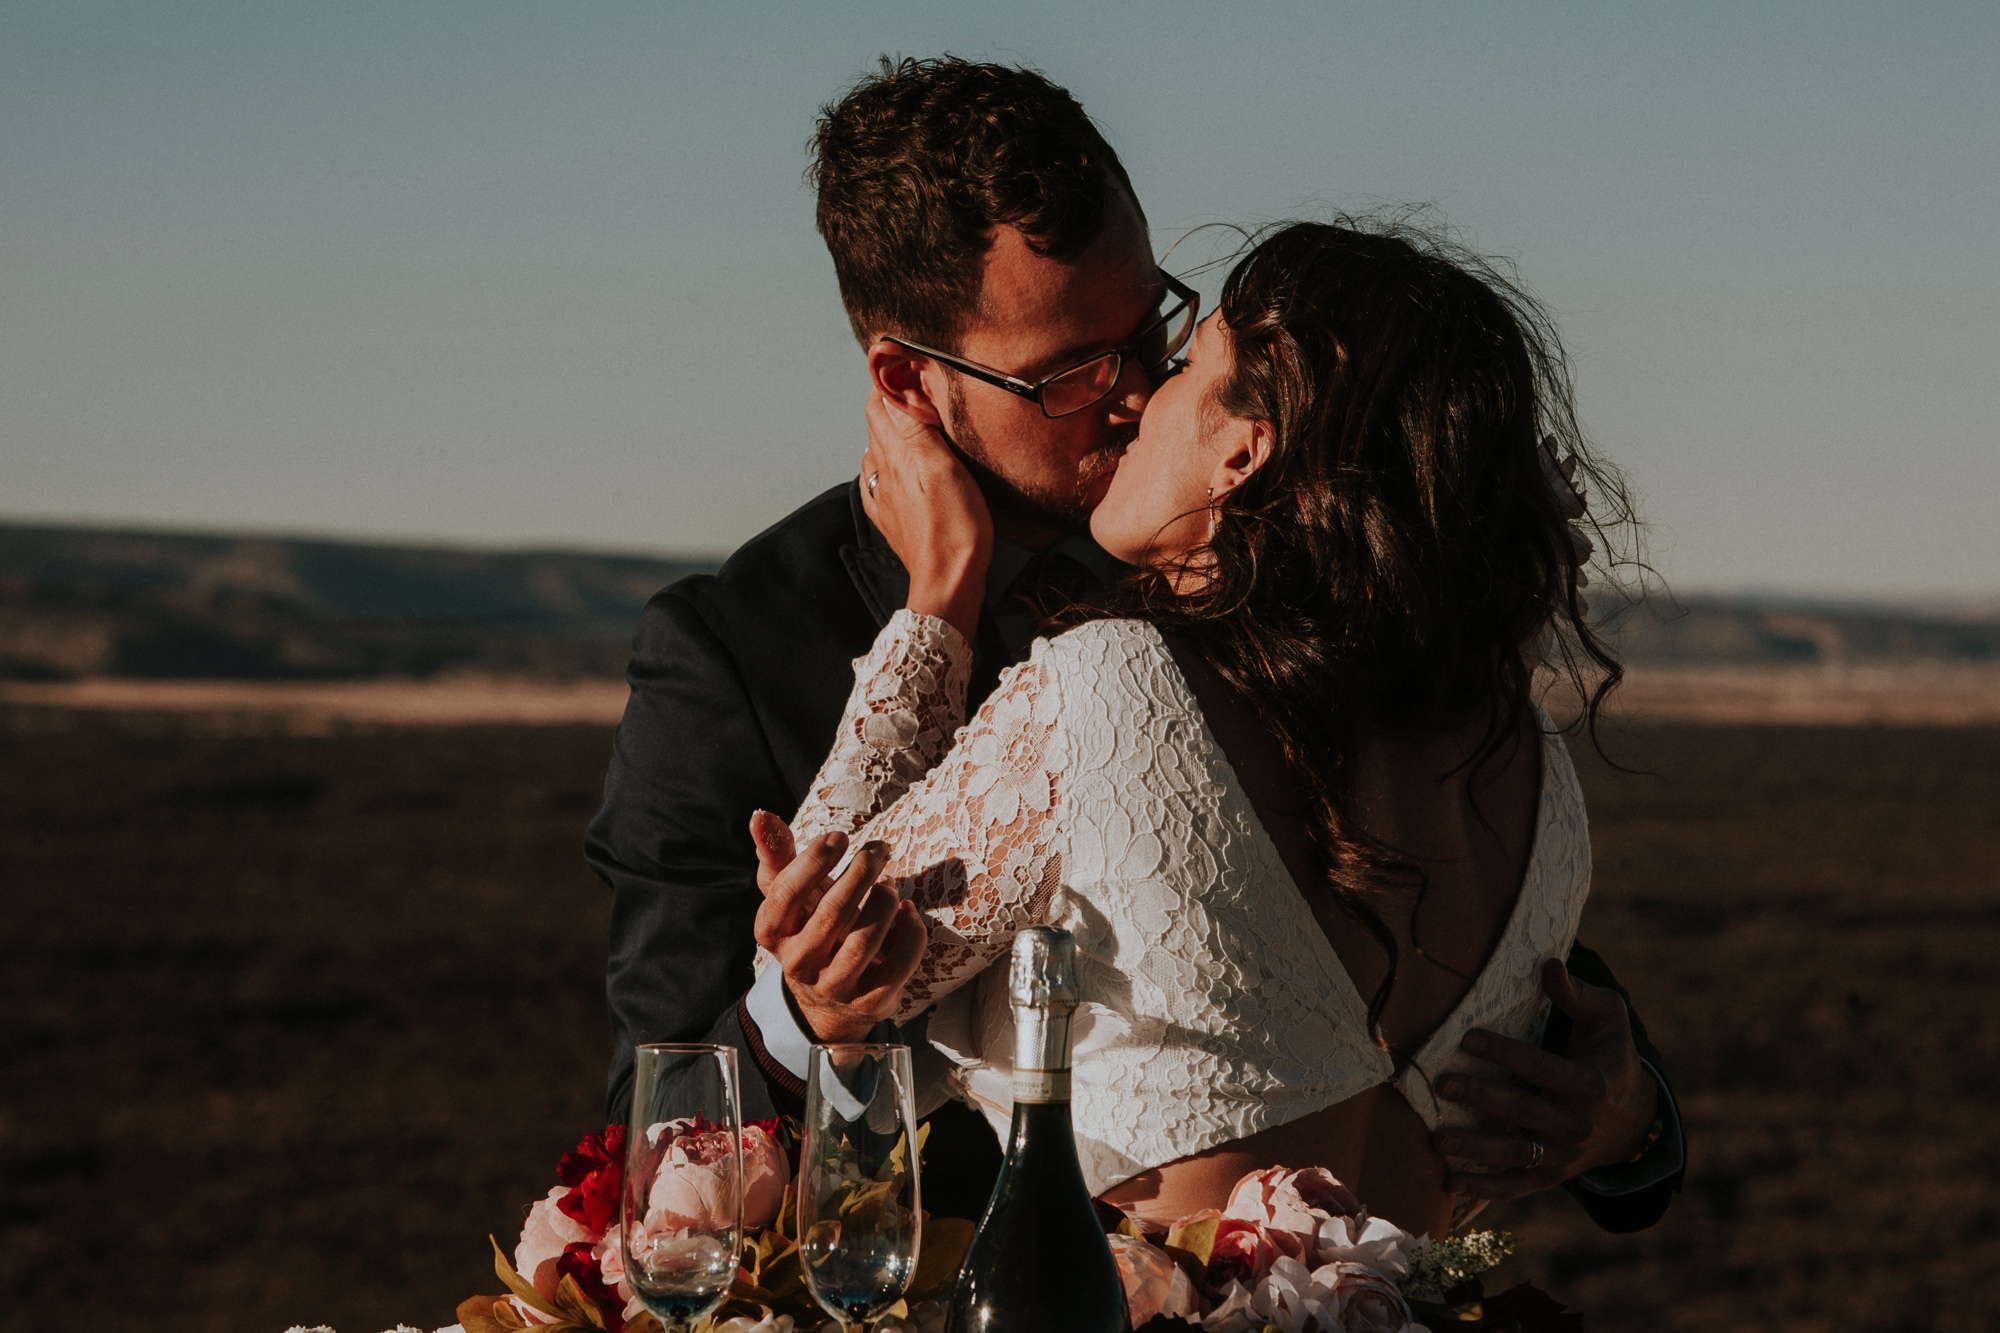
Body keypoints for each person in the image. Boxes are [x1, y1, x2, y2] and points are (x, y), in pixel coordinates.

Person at [587, 56, 1683, 1229]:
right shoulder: (730, 653)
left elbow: (1478, 953)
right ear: (906, 378)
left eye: (1153, 326)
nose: (1131, 391)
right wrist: (943, 592)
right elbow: (655, 1114)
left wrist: (1631, 1121)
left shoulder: (1281, 575)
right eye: (1067, 371)